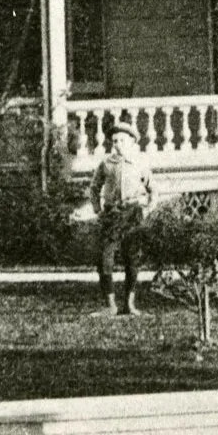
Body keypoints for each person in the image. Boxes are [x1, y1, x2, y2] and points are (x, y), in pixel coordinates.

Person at [88, 124, 156, 315]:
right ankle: (110, 305)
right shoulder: (106, 163)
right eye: (115, 140)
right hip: (111, 215)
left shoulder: (139, 163)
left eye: (122, 140)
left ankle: (129, 304)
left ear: (132, 142)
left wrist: (147, 209)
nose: (118, 144)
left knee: (133, 258)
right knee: (104, 258)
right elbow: (94, 188)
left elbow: (154, 190)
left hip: (132, 213)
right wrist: (98, 210)